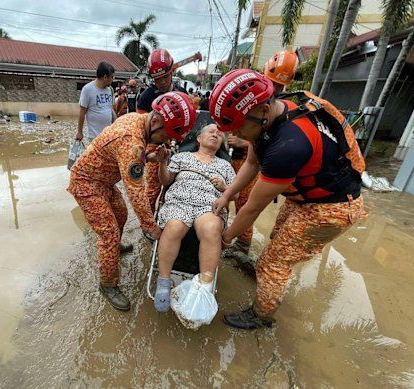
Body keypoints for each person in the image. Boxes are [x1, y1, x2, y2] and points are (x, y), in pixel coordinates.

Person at [210, 69, 366, 329]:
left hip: (331, 207)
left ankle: (260, 315)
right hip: (306, 196)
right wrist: (227, 194)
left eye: (238, 126)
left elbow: (252, 209)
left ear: (261, 110)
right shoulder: (271, 118)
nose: (235, 133)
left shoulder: (288, 146)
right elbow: (251, 162)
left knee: (276, 261)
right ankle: (264, 272)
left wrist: (225, 239)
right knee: (279, 237)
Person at [68, 91, 197, 311]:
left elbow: (131, 158)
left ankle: (114, 248)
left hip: (104, 181)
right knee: (108, 232)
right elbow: (136, 192)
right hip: (86, 182)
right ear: (155, 121)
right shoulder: (132, 142)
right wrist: (151, 227)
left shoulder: (139, 121)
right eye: (166, 135)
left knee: (121, 214)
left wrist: (152, 157)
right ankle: (108, 284)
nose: (166, 141)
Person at [225, 51, 299, 268]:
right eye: (272, 84)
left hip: (257, 162)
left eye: (279, 87)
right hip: (242, 160)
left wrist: (244, 142)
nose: (274, 90)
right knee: (237, 199)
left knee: (247, 204)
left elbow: (253, 207)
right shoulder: (249, 92)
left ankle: (242, 244)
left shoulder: (281, 112)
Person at [153, 124, 235, 312]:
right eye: (211, 132)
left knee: (211, 228)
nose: (216, 134)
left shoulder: (226, 166)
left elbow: (236, 196)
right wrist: (162, 163)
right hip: (178, 201)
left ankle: (203, 289)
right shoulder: (181, 157)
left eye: (219, 134)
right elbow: (165, 181)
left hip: (208, 205)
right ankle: (164, 283)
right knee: (173, 226)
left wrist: (224, 188)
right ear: (198, 138)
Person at [137, 48, 188, 214]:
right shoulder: (146, 97)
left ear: (172, 72)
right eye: (158, 79)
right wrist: (146, 156)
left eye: (166, 77)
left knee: (178, 185)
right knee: (153, 188)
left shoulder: (182, 93)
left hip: (179, 145)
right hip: (155, 146)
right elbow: (141, 133)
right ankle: (149, 222)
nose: (163, 82)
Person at [75, 61, 116, 141]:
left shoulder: (109, 90)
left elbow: (110, 109)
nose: (113, 80)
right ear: (105, 77)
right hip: (94, 137)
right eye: (112, 77)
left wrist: (118, 124)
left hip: (108, 136)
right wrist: (80, 132)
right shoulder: (87, 89)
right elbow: (82, 112)